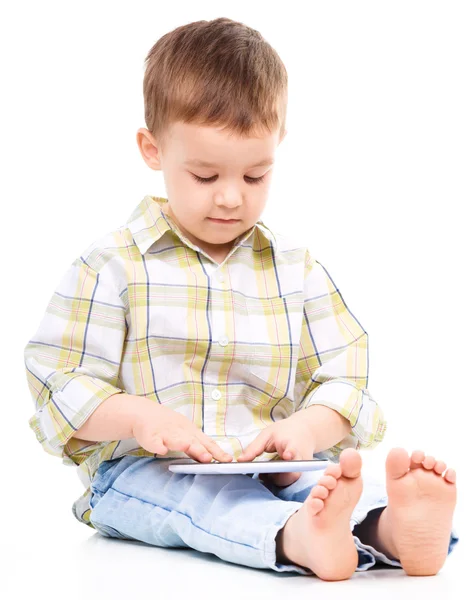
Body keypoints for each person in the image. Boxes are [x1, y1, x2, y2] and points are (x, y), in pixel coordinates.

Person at [23, 17, 458, 581]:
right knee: (203, 505)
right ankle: (294, 538)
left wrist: (309, 428)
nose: (231, 197)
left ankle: (392, 530)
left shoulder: (295, 268)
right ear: (152, 150)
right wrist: (141, 417)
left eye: (255, 175)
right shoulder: (113, 265)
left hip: (277, 468)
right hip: (145, 473)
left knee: (330, 483)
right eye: (205, 175)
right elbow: (59, 381)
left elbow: (345, 378)